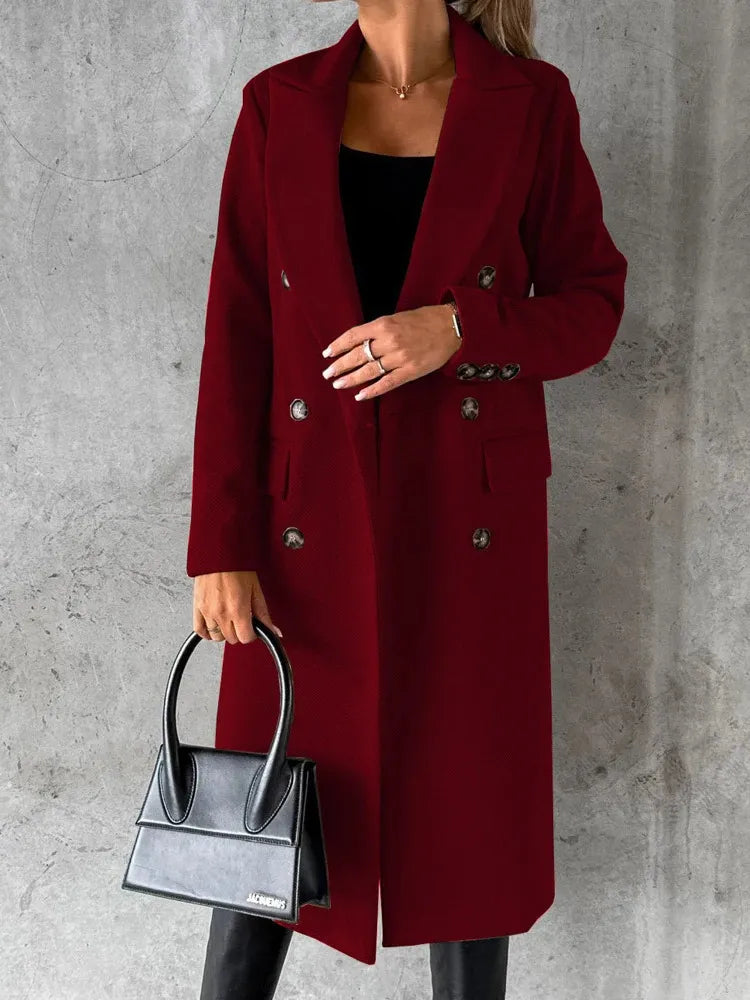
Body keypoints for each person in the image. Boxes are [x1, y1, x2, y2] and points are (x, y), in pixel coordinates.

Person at [187, 0, 628, 996]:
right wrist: (220, 542)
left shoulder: (531, 103)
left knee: (467, 822)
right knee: (261, 828)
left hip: (469, 522)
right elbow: (237, 332)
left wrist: (461, 328)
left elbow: (592, 306)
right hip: (302, 526)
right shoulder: (279, 103)